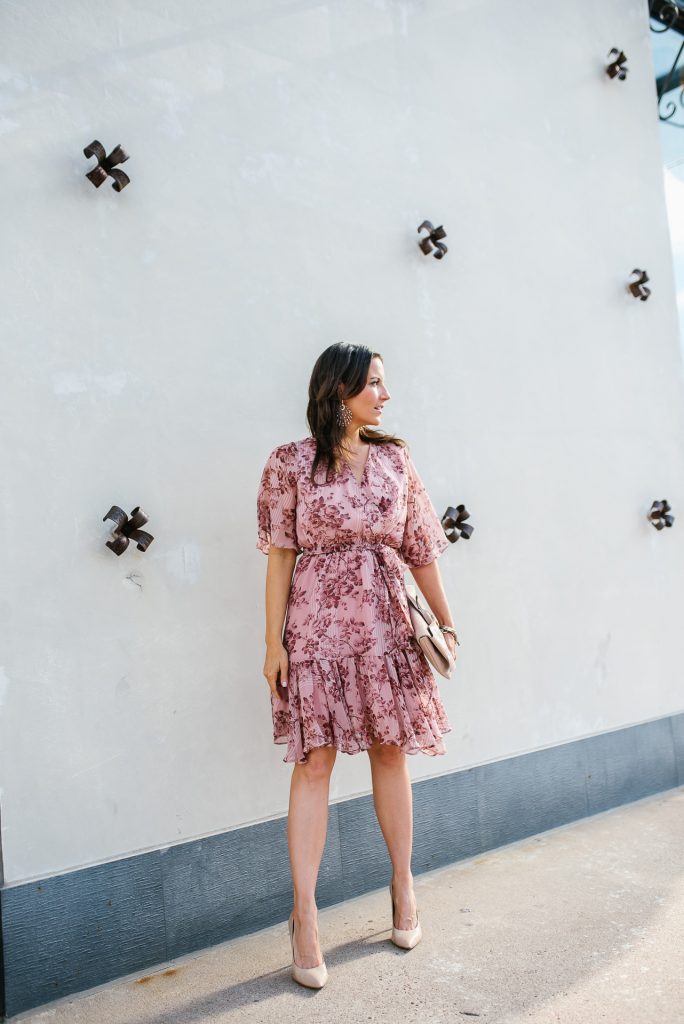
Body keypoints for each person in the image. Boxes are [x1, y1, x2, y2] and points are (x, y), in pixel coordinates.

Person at [256, 342, 458, 989]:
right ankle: (305, 915)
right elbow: (281, 556)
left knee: (391, 751)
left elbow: (421, 548)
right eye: (374, 382)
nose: (385, 394)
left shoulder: (396, 460)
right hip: (315, 630)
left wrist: (445, 620)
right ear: (338, 389)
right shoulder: (290, 463)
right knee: (315, 762)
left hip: (388, 628)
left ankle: (402, 887)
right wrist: (273, 644)